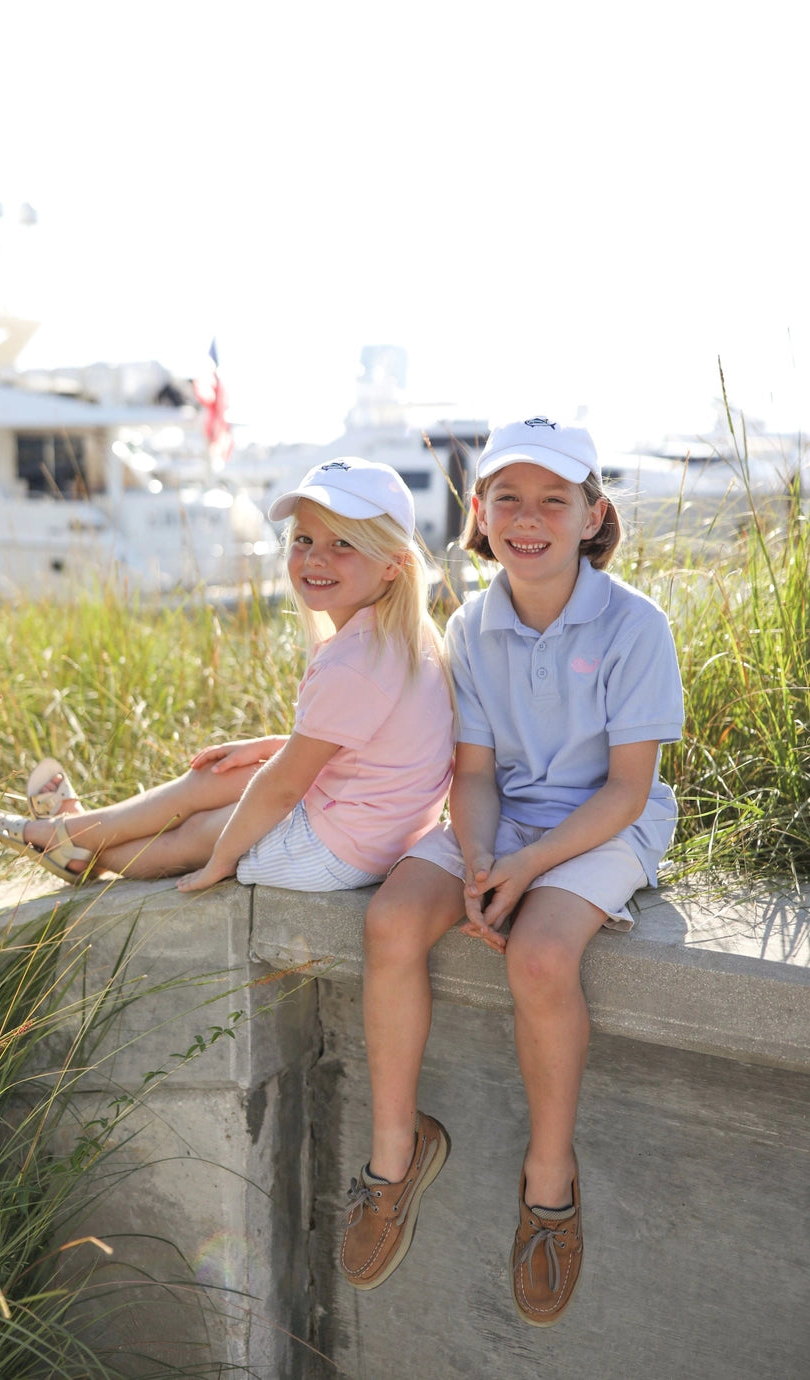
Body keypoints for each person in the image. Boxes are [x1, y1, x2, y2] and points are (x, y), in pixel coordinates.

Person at [339, 417, 684, 1325]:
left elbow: (625, 789)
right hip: (506, 821)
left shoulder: (635, 625)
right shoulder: (471, 626)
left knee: (536, 956)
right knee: (391, 921)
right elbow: (478, 777)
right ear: (480, 516)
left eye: (554, 500)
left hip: (605, 823)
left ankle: (548, 1183)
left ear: (591, 513)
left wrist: (525, 869)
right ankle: (392, 1161)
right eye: (507, 499)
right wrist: (483, 857)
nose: (528, 518)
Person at [0, 458, 454, 896]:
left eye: (342, 544)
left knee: (201, 832)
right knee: (218, 776)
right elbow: (353, 747)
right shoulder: (404, 638)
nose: (314, 558)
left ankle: (80, 848)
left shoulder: (356, 662)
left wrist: (221, 860)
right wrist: (269, 746)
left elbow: (286, 785)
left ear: (395, 562)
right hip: (374, 830)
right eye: (304, 540)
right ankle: (79, 830)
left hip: (335, 852)